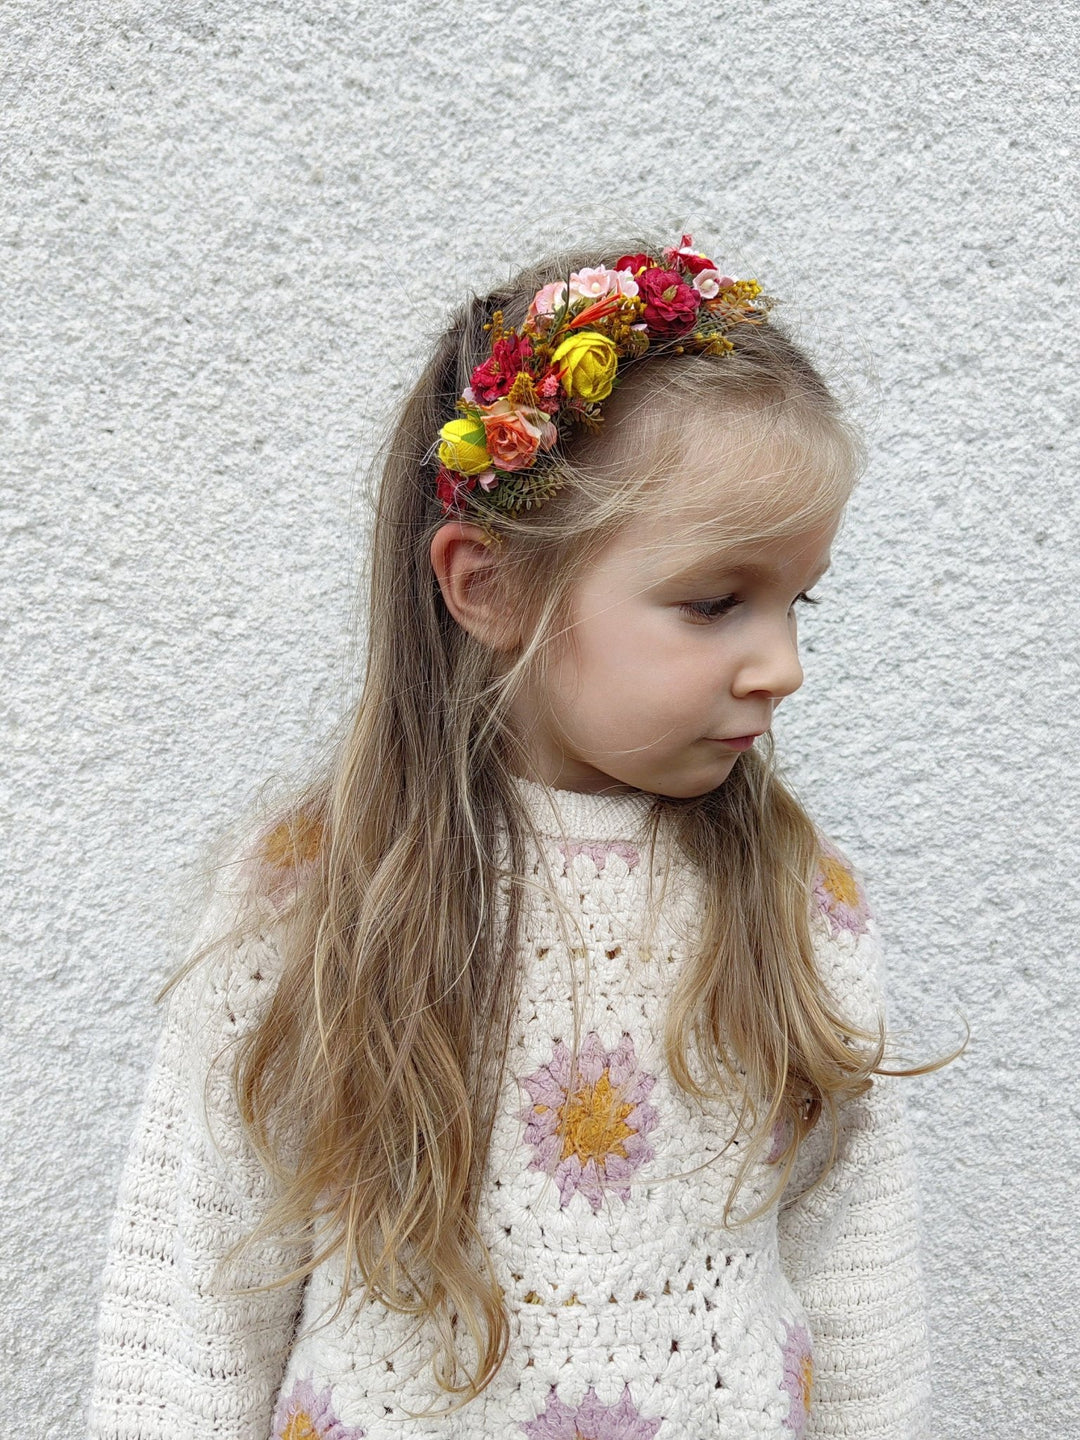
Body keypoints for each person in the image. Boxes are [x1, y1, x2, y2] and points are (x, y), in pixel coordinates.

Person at [88, 238, 936, 1439]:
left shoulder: (797, 895)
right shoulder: (316, 890)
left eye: (799, 601)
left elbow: (859, 1273)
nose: (782, 668)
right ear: (488, 587)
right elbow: (192, 1292)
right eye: (714, 603)